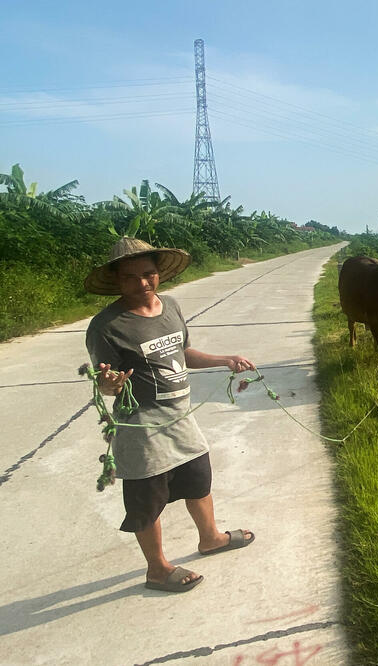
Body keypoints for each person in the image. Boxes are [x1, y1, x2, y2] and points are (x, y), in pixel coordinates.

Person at [85, 236, 256, 593]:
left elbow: (184, 353)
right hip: (142, 426)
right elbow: (108, 385)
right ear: (117, 281)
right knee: (147, 499)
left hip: (180, 417)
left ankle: (210, 538)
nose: (143, 283)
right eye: (131, 277)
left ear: (159, 274)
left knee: (198, 478)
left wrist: (225, 360)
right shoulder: (106, 326)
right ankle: (157, 569)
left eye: (149, 274)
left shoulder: (172, 307)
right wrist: (111, 384)